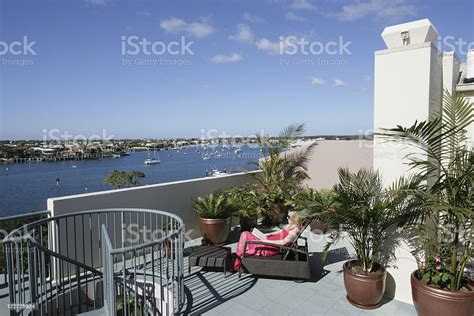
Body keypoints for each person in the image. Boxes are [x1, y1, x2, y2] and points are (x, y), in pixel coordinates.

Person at [232, 210, 303, 272]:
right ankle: (239, 255)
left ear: (294, 219)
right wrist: (269, 234)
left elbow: (282, 242)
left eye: (288, 216)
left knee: (245, 234)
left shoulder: (293, 233)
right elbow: (281, 231)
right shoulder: (291, 226)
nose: (287, 218)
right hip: (267, 241)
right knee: (247, 234)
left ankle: (238, 260)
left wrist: (265, 241)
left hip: (269, 247)